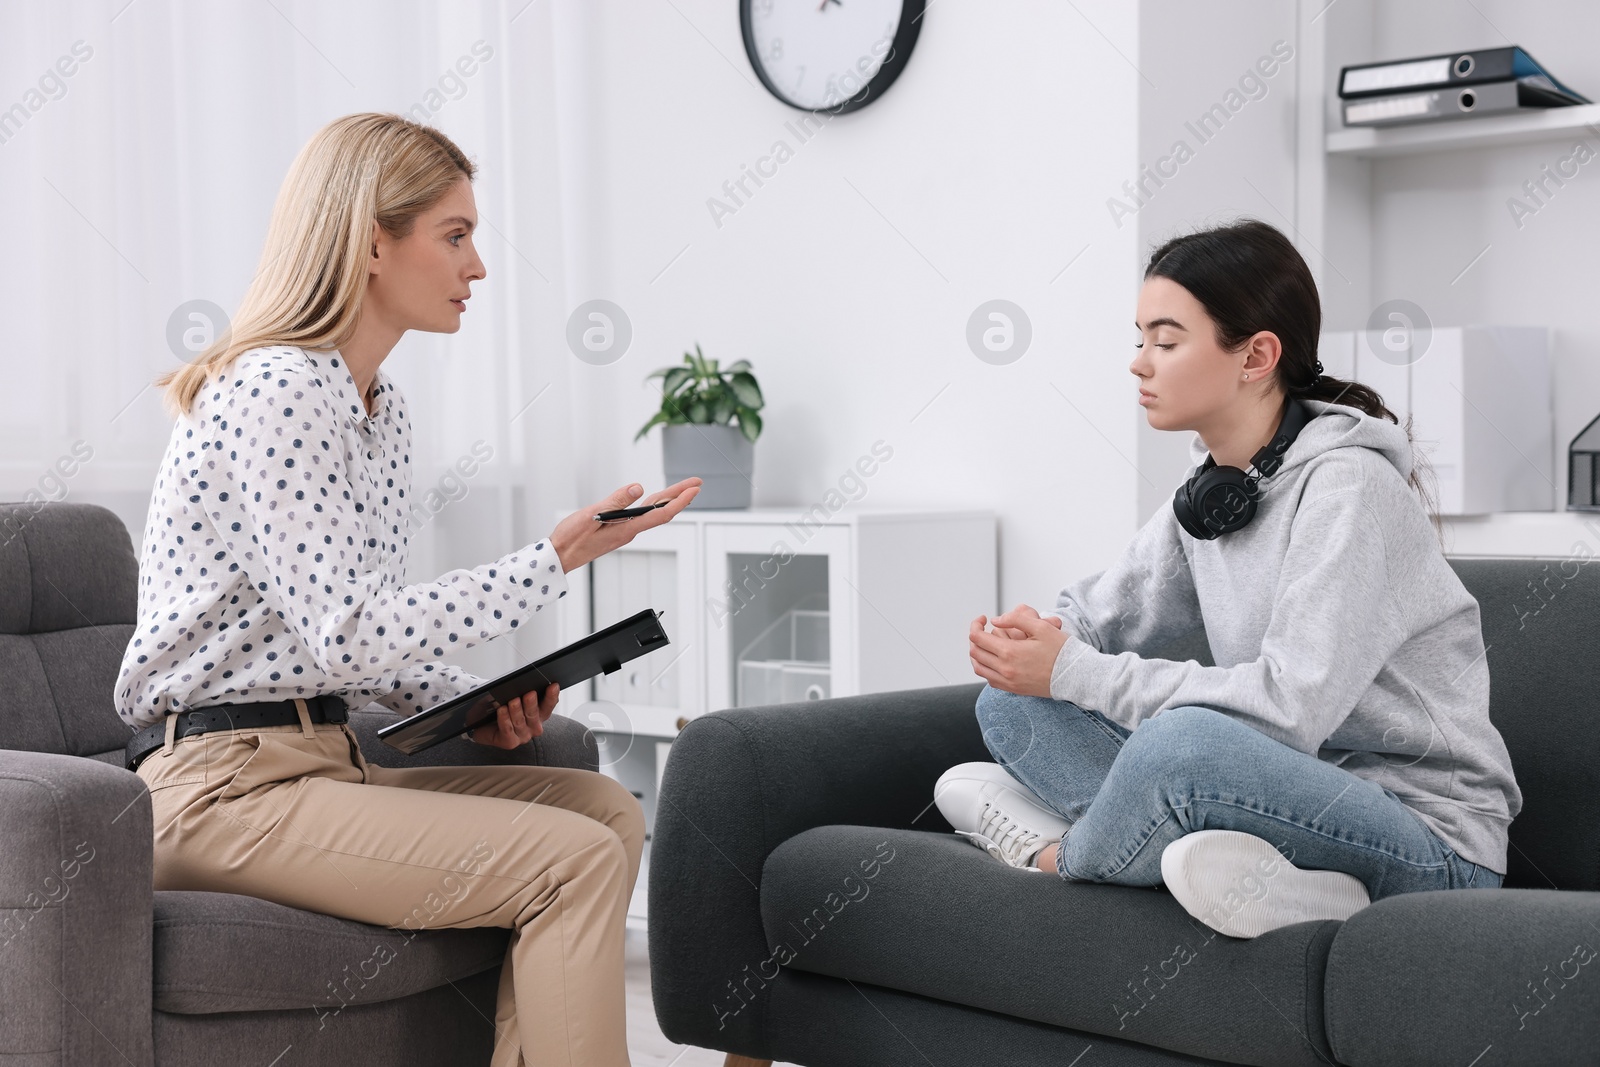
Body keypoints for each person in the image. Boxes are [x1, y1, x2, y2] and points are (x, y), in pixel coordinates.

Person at [116, 112, 699, 1066]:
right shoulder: (274, 389)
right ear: (372, 240)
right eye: (456, 236)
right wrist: (550, 561)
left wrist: (469, 707)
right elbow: (349, 631)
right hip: (216, 788)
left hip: (322, 758)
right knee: (574, 859)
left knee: (604, 811)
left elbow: (355, 629)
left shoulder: (380, 410)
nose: (478, 268)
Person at [937, 219, 1522, 939]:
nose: (1139, 364)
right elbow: (1100, 613)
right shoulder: (1218, 490)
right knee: (1010, 703)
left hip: (1428, 841)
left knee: (1179, 747)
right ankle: (1256, 876)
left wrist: (1073, 671)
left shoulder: (1350, 488)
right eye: (1139, 338)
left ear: (1256, 356)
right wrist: (1040, 640)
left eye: (1167, 339)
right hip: (1286, 795)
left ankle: (1059, 853)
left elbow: (1287, 709)